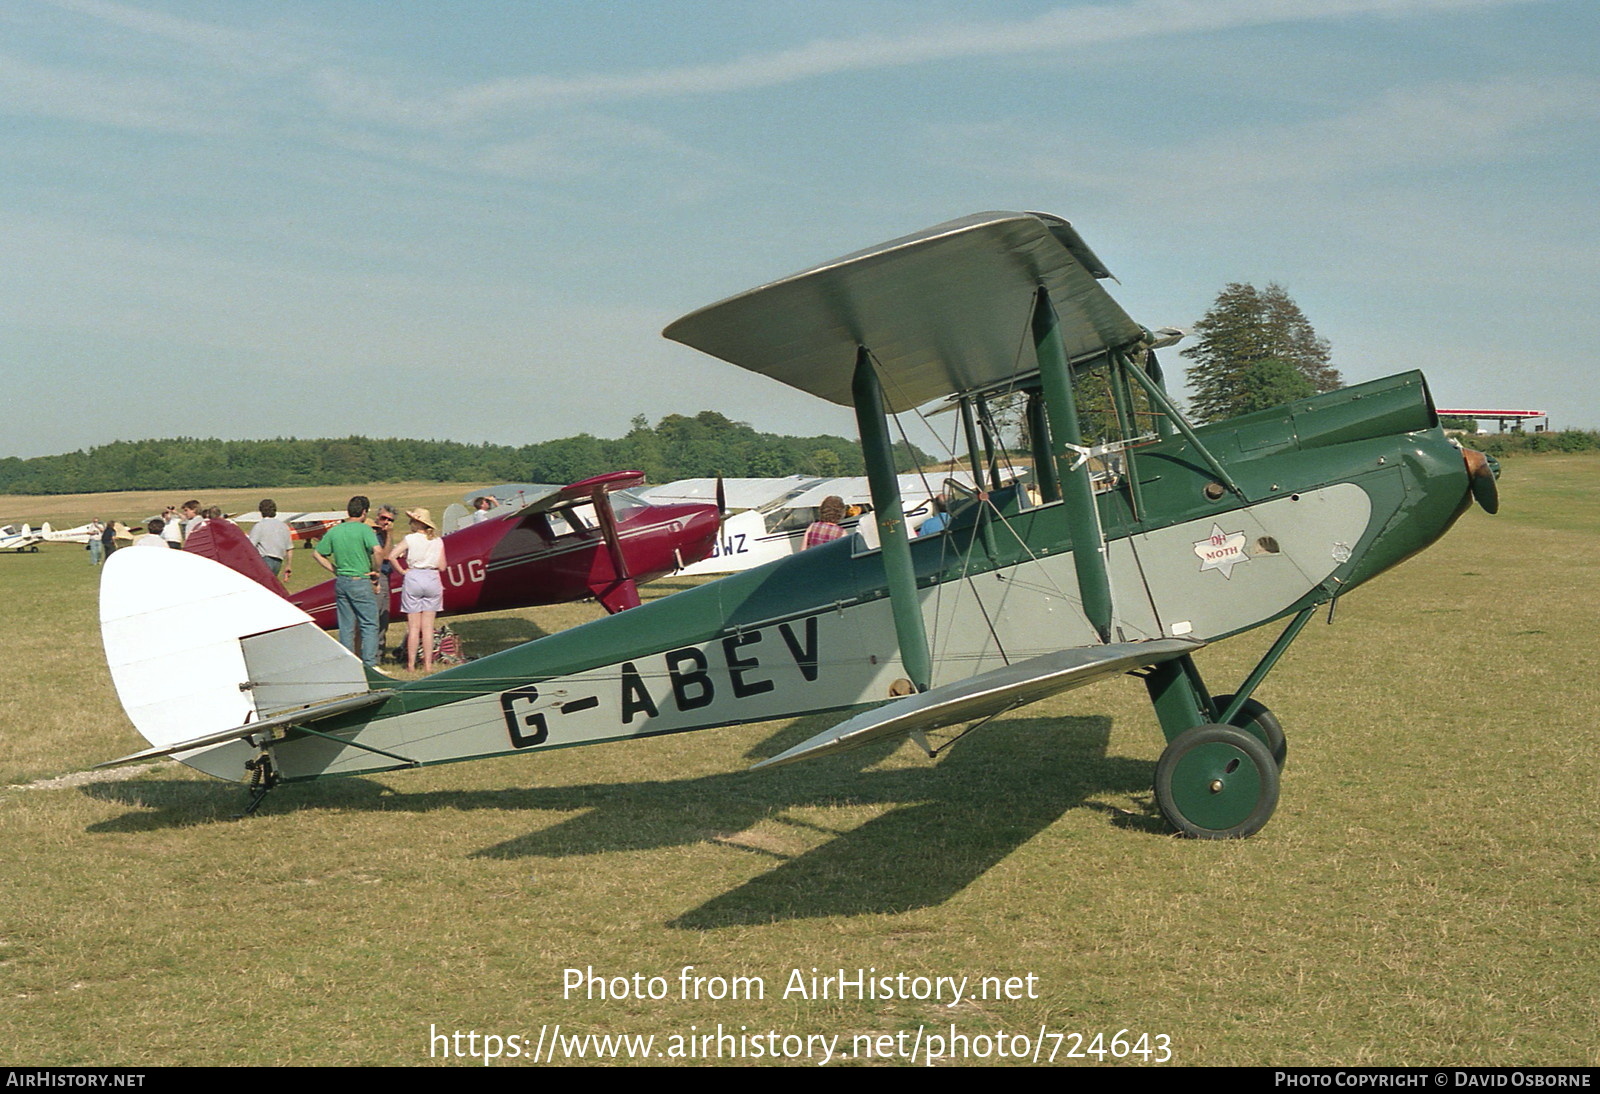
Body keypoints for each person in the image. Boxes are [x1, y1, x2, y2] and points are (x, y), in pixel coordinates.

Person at [312, 496, 382, 667]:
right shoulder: (364, 530)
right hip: (361, 579)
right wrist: (377, 571)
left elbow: (317, 553)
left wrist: (334, 569)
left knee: (346, 626)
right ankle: (370, 664)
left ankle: (348, 665)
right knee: (369, 624)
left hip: (342, 581)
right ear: (364, 512)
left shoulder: (335, 530)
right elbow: (378, 550)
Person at [388, 508, 448, 672]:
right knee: (428, 627)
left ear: (416, 523)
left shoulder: (410, 539)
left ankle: (411, 665)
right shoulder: (437, 540)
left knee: (414, 627)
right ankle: (428, 665)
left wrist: (401, 571)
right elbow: (442, 566)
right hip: (432, 578)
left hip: (414, 577)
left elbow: (392, 556)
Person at [248, 499, 294, 577]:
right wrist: (288, 565)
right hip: (278, 562)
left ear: (261, 511)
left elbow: (249, 546)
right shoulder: (283, 526)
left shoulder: (259, 526)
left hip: (264, 560)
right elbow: (289, 548)